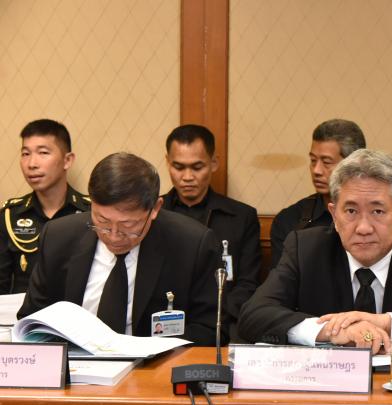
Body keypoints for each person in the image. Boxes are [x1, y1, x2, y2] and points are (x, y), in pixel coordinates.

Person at [239, 148, 392, 352]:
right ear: (334, 215)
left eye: (377, 211)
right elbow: (254, 315)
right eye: (351, 211)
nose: (363, 228)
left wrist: (386, 323)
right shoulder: (305, 249)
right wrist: (332, 331)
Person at [19, 152, 222, 346]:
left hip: (153, 365)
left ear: (155, 209)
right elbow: (32, 319)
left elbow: (209, 329)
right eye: (103, 221)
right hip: (74, 364)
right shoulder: (58, 237)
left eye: (128, 225)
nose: (114, 236)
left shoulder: (192, 245)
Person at [161, 124, 261, 334]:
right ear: (167, 163)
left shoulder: (242, 217)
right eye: (178, 167)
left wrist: (217, 317)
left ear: (214, 163)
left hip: (222, 325)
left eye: (197, 167)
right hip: (163, 323)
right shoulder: (152, 215)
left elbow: (248, 284)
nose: (187, 176)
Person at [0, 119, 90, 293]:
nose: (32, 164)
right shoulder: (9, 216)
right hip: (22, 309)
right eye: (25, 154)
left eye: (43, 153)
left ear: (67, 160)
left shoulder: (91, 212)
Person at [269, 119, 366, 268]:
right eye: (313, 160)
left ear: (355, 164)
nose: (316, 170)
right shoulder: (289, 220)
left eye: (326, 162)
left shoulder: (376, 220)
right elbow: (280, 280)